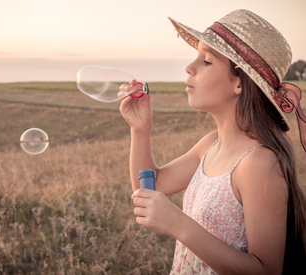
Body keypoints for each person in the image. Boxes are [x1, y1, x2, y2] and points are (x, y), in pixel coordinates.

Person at [118, 9, 306, 275]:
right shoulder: (210, 145)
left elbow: (266, 270)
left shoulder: (259, 163)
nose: (189, 67)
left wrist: (180, 225)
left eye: (206, 61)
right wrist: (140, 129)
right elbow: (149, 187)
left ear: (239, 83)